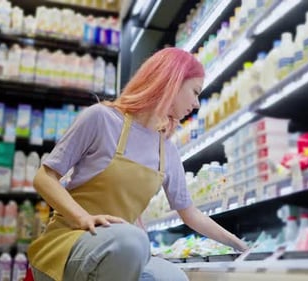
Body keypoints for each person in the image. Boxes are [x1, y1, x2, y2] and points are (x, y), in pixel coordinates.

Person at [28, 47, 248, 281]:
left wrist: (241, 246)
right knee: (132, 241)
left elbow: (191, 213)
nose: (196, 104)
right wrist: (83, 218)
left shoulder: (167, 150)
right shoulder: (101, 118)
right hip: (71, 242)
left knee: (173, 278)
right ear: (172, 81)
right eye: (195, 92)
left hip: (120, 251)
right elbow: (44, 177)